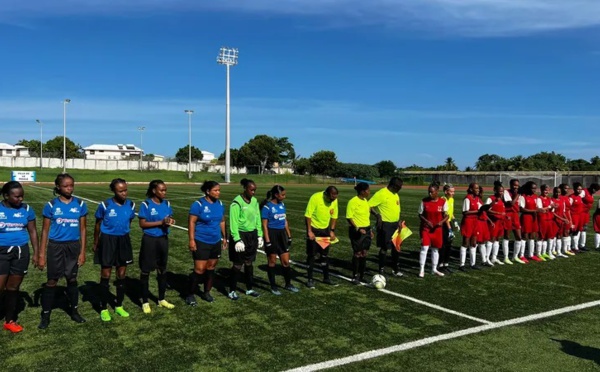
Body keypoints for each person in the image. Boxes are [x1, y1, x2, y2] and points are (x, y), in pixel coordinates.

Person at [38, 174, 88, 329]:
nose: (69, 188)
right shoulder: (51, 205)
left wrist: (82, 251)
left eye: (71, 185)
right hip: (56, 246)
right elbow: (45, 231)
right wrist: (41, 254)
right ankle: (46, 315)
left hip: (73, 246)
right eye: (66, 186)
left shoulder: (80, 204)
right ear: (58, 187)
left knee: (71, 279)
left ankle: (74, 311)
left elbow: (83, 229)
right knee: (52, 280)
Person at [93, 178, 136, 321]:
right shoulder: (105, 205)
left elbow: (129, 221)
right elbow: (98, 224)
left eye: (125, 190)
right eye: (121, 190)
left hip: (123, 240)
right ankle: (104, 308)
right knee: (106, 273)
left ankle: (119, 305)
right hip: (107, 240)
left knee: (122, 273)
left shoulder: (131, 204)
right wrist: (96, 242)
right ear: (113, 191)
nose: (124, 193)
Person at [0, 181, 39, 333]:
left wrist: (36, 253)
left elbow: (33, 232)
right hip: (1, 252)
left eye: (22, 196)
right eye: (16, 197)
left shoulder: (27, 209)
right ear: (6, 196)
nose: (20, 199)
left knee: (13, 287)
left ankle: (10, 320)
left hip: (21, 252)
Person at [138, 179, 176, 314]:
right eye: (162, 190)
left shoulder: (167, 203)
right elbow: (142, 224)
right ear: (154, 191)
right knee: (146, 271)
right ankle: (145, 301)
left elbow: (168, 218)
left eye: (165, 190)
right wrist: (161, 222)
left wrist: (169, 221)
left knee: (162, 269)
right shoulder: (146, 204)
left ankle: (161, 299)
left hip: (163, 239)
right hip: (150, 240)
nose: (164, 192)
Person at [187, 181, 227, 305]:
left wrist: (224, 237)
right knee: (199, 269)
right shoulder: (198, 204)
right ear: (208, 191)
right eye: (215, 190)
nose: (218, 192)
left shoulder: (220, 204)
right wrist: (192, 240)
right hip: (201, 240)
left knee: (211, 268)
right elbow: (192, 222)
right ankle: (190, 294)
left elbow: (222, 221)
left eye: (219, 190)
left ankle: (206, 292)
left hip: (215, 241)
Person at [228, 178, 263, 300]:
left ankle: (249, 289)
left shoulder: (254, 201)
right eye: (251, 190)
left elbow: (257, 218)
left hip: (252, 235)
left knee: (249, 263)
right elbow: (233, 222)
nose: (253, 192)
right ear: (245, 189)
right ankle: (232, 290)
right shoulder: (236, 203)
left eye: (255, 190)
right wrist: (237, 239)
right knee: (238, 264)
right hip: (241, 235)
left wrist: (259, 235)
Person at [261, 185, 298, 294]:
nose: (284, 197)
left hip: (282, 235)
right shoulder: (267, 207)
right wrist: (267, 241)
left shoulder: (282, 205)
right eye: (282, 195)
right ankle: (273, 286)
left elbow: (285, 220)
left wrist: (289, 235)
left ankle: (288, 284)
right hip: (272, 235)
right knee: (272, 262)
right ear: (276, 195)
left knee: (286, 262)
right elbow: (265, 226)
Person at [305, 186, 339, 288]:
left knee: (324, 255)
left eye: (335, 198)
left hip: (325, 231)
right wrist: (309, 231)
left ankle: (326, 278)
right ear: (326, 194)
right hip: (314, 230)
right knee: (312, 255)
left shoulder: (334, 200)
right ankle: (310, 279)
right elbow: (308, 215)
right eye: (331, 198)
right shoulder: (315, 198)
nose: (333, 200)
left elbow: (334, 216)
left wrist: (332, 231)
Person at [369, 177, 404, 276]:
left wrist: (399, 221)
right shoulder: (381, 193)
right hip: (385, 225)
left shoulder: (396, 194)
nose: (400, 188)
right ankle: (381, 270)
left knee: (396, 247)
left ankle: (395, 270)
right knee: (384, 248)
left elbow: (397, 209)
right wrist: (377, 215)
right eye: (399, 187)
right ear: (393, 185)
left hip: (396, 224)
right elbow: (369, 205)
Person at [417, 182, 448, 278]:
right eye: (429, 192)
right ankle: (421, 269)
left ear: (437, 192)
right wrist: (427, 221)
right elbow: (420, 214)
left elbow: (447, 215)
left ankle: (434, 269)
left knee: (435, 249)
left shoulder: (443, 202)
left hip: (437, 229)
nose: (430, 194)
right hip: (426, 229)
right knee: (424, 248)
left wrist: (441, 222)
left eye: (432, 192)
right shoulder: (424, 201)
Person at [346, 182, 373, 284]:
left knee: (364, 253)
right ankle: (355, 276)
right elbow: (349, 217)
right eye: (368, 190)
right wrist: (357, 228)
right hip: (357, 230)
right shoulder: (353, 202)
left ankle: (362, 275)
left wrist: (370, 231)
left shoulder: (366, 201)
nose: (369, 192)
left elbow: (366, 217)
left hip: (366, 229)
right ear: (362, 191)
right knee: (357, 253)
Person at [459, 182, 481, 271]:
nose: (478, 190)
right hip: (468, 221)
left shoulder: (477, 199)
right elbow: (465, 212)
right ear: (471, 189)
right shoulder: (467, 199)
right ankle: (462, 264)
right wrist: (477, 211)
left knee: (474, 243)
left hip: (475, 221)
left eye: (478, 188)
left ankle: (473, 263)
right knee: (465, 242)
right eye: (476, 188)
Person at [503, 179, 526, 264]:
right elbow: (511, 203)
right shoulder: (506, 192)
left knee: (519, 237)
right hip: (508, 215)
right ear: (510, 185)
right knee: (507, 236)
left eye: (517, 185)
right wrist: (518, 194)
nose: (515, 187)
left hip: (516, 216)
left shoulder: (519, 195)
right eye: (514, 185)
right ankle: (506, 257)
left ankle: (515, 256)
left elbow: (520, 206)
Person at [485, 181, 507, 265]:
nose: (501, 192)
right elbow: (486, 210)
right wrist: (497, 214)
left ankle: (494, 257)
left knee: (497, 239)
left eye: (502, 191)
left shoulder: (501, 200)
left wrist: (505, 216)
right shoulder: (490, 198)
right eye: (500, 191)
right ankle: (486, 258)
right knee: (491, 239)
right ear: (495, 191)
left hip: (500, 222)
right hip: (493, 222)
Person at [520, 181, 542, 262]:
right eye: (533, 188)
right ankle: (521, 255)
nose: (534, 190)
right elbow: (521, 209)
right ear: (528, 188)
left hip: (534, 218)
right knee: (524, 236)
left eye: (535, 188)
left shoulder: (536, 197)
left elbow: (538, 207)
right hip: (526, 218)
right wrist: (533, 211)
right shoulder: (523, 196)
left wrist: (543, 209)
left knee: (532, 236)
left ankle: (531, 255)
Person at [439, 184, 458, 273]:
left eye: (454, 191)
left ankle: (446, 264)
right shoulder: (443, 200)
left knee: (449, 245)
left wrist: (454, 220)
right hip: (444, 224)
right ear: (446, 192)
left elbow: (450, 213)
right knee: (444, 245)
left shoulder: (451, 199)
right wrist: (449, 229)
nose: (453, 193)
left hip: (449, 223)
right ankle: (441, 265)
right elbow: (445, 215)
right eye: (451, 191)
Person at [536, 184, 556, 260]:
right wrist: (550, 207)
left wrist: (553, 207)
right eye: (545, 190)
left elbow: (551, 209)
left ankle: (546, 252)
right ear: (541, 190)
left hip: (549, 219)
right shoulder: (539, 199)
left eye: (547, 190)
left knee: (549, 237)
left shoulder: (549, 199)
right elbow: (541, 210)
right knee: (541, 237)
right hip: (542, 219)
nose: (546, 192)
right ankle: (538, 253)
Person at [579, 183, 600, 251]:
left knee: (584, 228)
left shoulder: (591, 194)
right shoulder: (584, 192)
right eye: (595, 190)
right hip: (580, 213)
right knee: (577, 229)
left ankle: (582, 245)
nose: (595, 191)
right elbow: (577, 199)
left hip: (586, 213)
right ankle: (575, 245)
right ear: (592, 188)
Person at [551, 186, 570, 258]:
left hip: (561, 221)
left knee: (559, 236)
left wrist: (566, 219)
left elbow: (563, 211)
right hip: (554, 220)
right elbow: (553, 213)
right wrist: (563, 219)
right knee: (552, 236)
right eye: (556, 192)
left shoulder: (562, 201)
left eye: (559, 192)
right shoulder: (552, 200)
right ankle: (552, 251)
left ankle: (558, 252)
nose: (557, 193)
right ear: (553, 192)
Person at [558, 184, 575, 256]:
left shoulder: (568, 198)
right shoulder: (560, 197)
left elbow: (568, 210)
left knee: (567, 232)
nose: (567, 190)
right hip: (561, 216)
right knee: (563, 233)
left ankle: (567, 248)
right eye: (565, 188)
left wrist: (570, 220)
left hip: (567, 216)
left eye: (568, 188)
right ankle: (563, 249)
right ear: (561, 189)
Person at [569, 182, 585, 253]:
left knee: (577, 231)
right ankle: (569, 247)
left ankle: (575, 247)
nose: (580, 190)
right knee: (571, 231)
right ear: (574, 189)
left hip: (579, 217)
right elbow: (568, 208)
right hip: (573, 216)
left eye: (581, 189)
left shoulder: (579, 197)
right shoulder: (571, 197)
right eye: (578, 189)